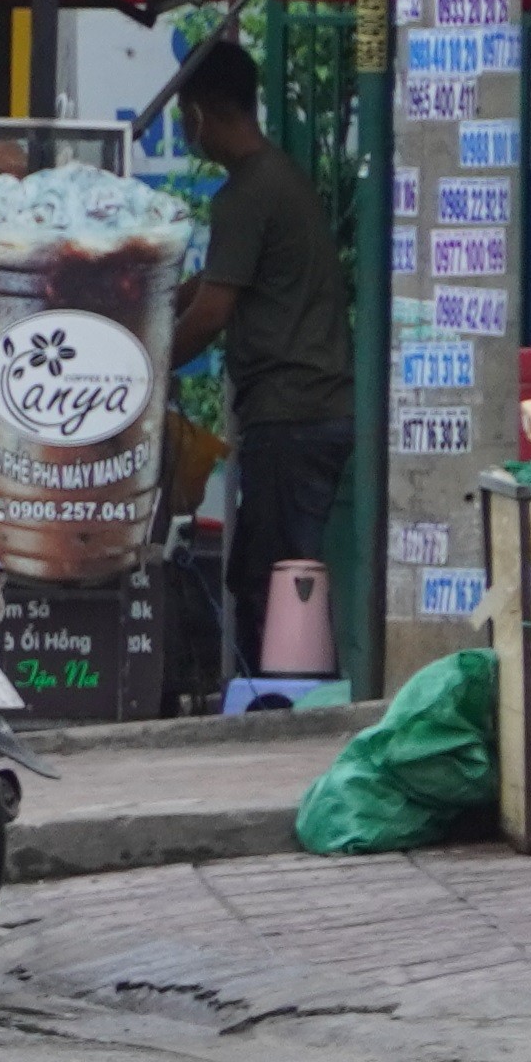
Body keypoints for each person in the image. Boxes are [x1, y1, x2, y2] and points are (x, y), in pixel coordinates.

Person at [169, 38, 351, 689]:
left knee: (275, 574)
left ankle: (279, 706)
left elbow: (212, 310)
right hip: (307, 407)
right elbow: (206, 286)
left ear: (206, 112)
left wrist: (143, 367)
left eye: (186, 114)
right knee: (277, 564)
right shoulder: (275, 180)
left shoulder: (247, 194)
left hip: (293, 411)